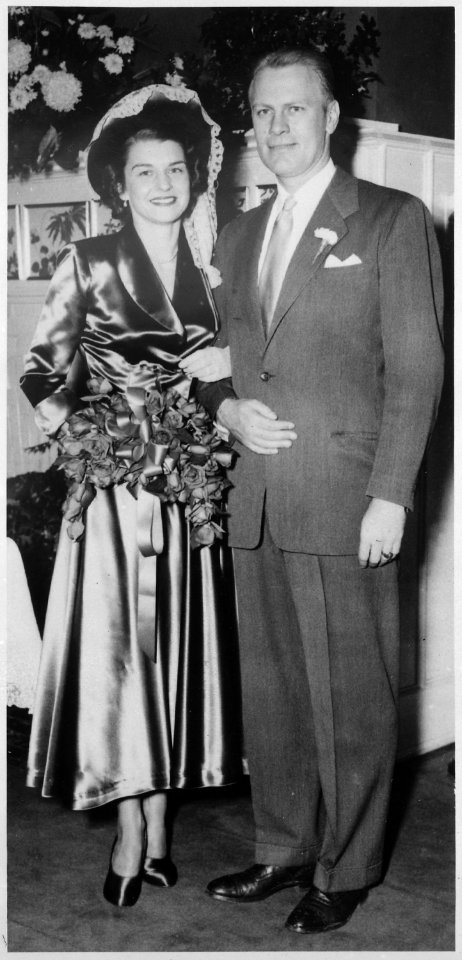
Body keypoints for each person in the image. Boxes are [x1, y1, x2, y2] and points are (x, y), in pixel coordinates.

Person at [196, 48, 444, 934]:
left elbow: (418, 370)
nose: (276, 128)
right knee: (275, 694)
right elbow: (213, 368)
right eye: (262, 113)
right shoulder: (236, 234)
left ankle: (348, 868)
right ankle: (283, 844)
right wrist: (226, 412)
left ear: (331, 116)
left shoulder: (391, 218)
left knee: (351, 698)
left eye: (293, 110)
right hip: (256, 501)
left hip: (348, 503)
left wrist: (392, 496)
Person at [20, 84, 242, 908]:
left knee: (174, 661)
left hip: (191, 495)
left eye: (174, 169)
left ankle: (159, 818)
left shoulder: (217, 268)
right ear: (119, 183)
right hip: (114, 499)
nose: (160, 184)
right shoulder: (90, 259)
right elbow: (41, 371)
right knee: (124, 663)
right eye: (143, 171)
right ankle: (129, 828)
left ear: (193, 177)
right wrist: (96, 435)